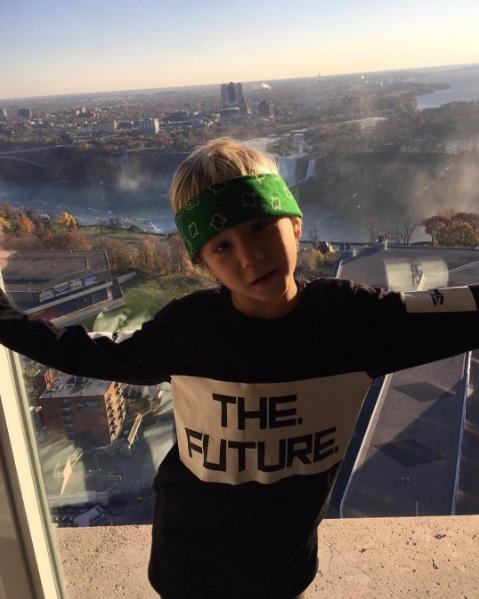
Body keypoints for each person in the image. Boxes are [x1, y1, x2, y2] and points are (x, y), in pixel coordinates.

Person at [1, 137, 479, 599]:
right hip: (187, 568)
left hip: (283, 571)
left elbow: (461, 312)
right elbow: (80, 351)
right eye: (222, 246)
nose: (250, 256)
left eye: (260, 226)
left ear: (295, 224)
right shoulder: (190, 330)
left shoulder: (351, 321)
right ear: (204, 264)